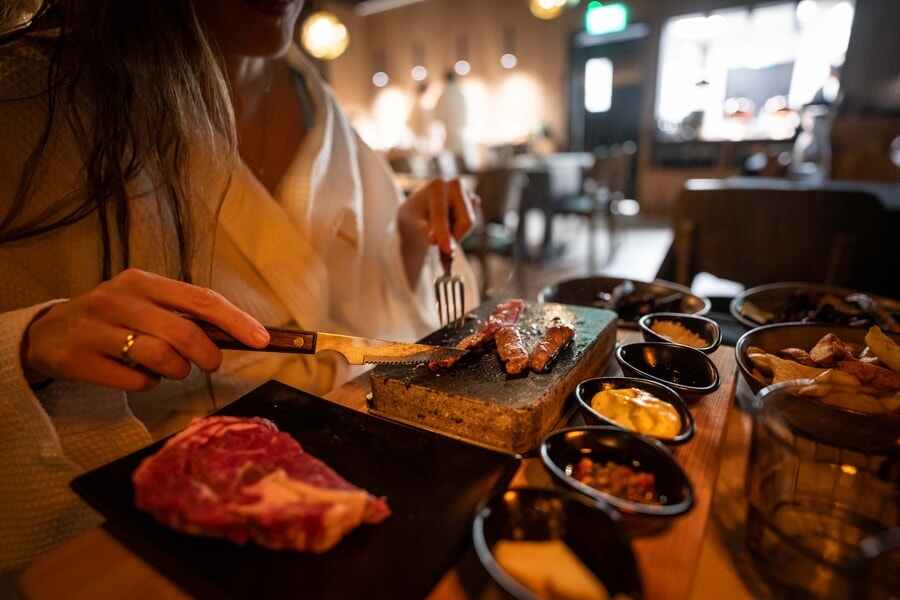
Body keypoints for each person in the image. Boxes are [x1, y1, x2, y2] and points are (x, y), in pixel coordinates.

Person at [0, 0, 479, 573]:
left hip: (331, 474)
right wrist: (29, 343)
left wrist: (404, 233)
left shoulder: (310, 92)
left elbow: (362, 296)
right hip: (146, 539)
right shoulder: (32, 98)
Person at [432, 69, 468, 172]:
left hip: (452, 131)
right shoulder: (459, 93)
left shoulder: (446, 94)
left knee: (454, 157)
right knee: (457, 154)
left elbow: (437, 114)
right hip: (458, 130)